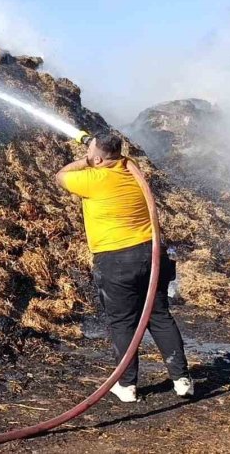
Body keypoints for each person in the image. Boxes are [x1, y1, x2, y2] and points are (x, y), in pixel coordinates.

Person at [55, 131, 193, 402]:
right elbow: (117, 159)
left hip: (116, 260)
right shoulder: (132, 169)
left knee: (122, 322)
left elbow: (60, 176)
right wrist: (97, 152)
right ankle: (182, 380)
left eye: (91, 153)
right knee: (159, 316)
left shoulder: (91, 179)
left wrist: (86, 160)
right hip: (152, 254)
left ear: (97, 159)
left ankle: (127, 385)